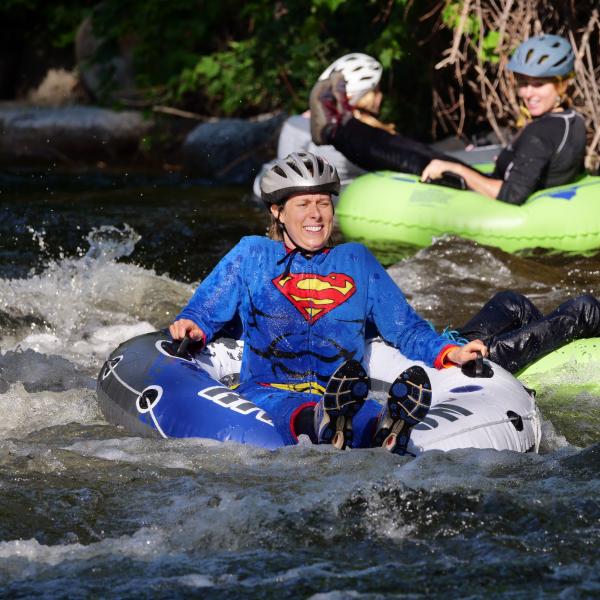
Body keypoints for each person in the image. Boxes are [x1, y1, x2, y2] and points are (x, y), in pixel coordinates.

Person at [171, 151, 485, 454]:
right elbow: (203, 314)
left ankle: (387, 430)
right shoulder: (252, 254)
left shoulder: (357, 260)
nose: (316, 214)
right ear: (277, 212)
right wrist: (192, 327)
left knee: (362, 414)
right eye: (303, 204)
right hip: (268, 393)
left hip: (346, 396)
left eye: (323, 203)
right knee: (305, 412)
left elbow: (405, 329)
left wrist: (449, 351)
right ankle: (331, 423)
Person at [310, 34, 587, 205]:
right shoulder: (571, 120)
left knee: (412, 160)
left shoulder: (542, 133)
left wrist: (463, 171)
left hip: (489, 197)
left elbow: (511, 196)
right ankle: (343, 120)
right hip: (496, 179)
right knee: (417, 150)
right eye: (524, 83)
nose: (527, 93)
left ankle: (335, 130)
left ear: (561, 84)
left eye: (538, 85)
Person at [252, 53, 391, 198]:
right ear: (361, 94)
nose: (380, 96)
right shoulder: (360, 136)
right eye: (376, 90)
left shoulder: (295, 122)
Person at [453, 290, 600, 374]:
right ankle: (480, 354)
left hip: (458, 348)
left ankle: (482, 354)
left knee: (512, 302)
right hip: (463, 359)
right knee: (587, 309)